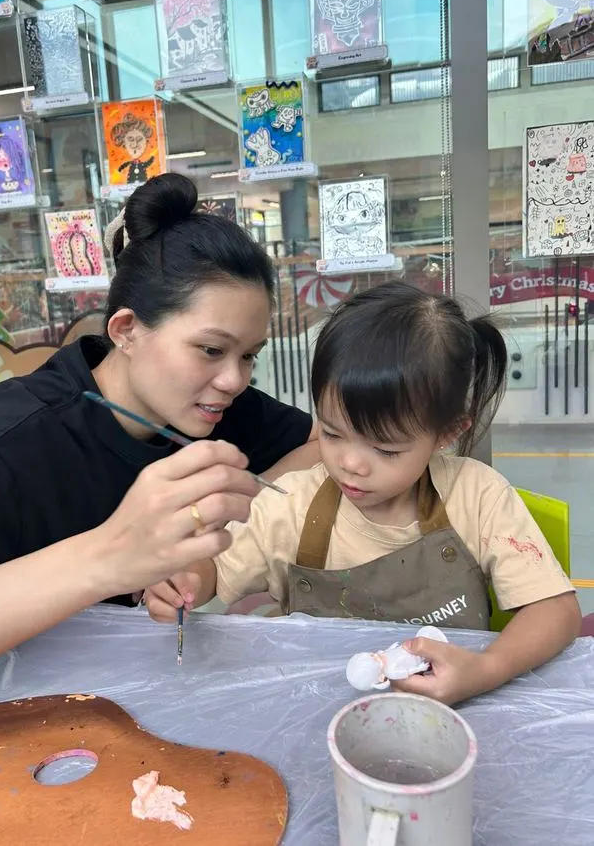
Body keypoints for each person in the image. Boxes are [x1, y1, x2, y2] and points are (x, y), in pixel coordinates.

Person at [0, 173, 318, 691]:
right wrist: (114, 556)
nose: (234, 379)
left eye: (249, 355)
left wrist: (229, 514)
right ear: (126, 330)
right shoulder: (18, 434)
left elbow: (322, 445)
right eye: (211, 350)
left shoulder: (219, 407)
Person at [146, 282, 581, 705]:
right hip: (313, 706)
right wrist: (185, 581)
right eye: (333, 434)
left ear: (446, 433)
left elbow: (556, 612)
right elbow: (213, 572)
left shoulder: (476, 495)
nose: (351, 464)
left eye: (385, 448)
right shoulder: (291, 503)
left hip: (448, 708)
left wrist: (485, 670)